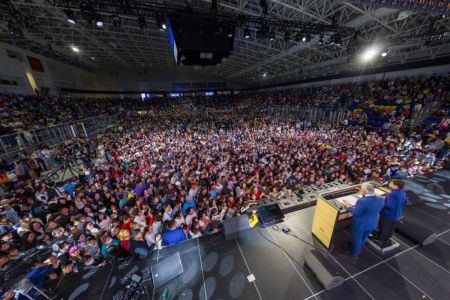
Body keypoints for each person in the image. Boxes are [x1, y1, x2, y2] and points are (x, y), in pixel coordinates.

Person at [343, 183, 384, 258]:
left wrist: (348, 205)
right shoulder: (380, 199)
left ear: (365, 191)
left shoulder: (362, 201)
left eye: (361, 188)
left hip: (361, 224)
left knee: (357, 238)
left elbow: (355, 213)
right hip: (373, 223)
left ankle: (355, 253)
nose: (359, 189)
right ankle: (357, 248)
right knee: (363, 238)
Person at [375, 179, 408, 247]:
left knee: (384, 227)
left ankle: (381, 240)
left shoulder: (393, 194)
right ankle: (386, 238)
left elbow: (388, 206)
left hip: (388, 215)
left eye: (391, 183)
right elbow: (406, 202)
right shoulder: (403, 193)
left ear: (396, 186)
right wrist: (386, 198)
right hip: (397, 214)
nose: (390, 183)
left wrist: (382, 200)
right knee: (391, 228)